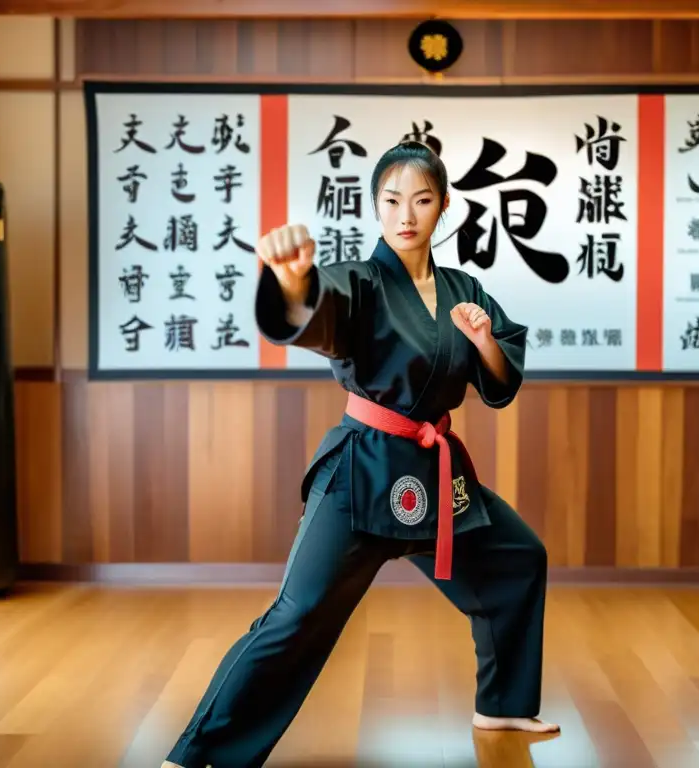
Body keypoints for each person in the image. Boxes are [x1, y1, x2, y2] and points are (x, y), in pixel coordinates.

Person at [162, 140, 557, 768]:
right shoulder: (364, 281)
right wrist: (294, 284)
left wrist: (482, 339)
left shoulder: (464, 287)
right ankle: (198, 754)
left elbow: (500, 383)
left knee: (517, 558)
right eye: (393, 201)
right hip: (363, 467)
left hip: (432, 471)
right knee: (298, 616)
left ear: (444, 206)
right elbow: (321, 312)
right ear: (375, 208)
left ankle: (503, 702)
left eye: (422, 201)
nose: (407, 214)